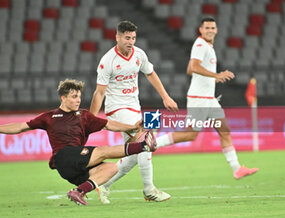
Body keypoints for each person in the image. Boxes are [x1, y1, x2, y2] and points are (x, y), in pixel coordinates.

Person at [0, 79, 157, 206]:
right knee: (102, 151)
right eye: (74, 97)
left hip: (74, 167)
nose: (78, 100)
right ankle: (143, 146)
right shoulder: (49, 116)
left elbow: (109, 125)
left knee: (111, 168)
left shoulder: (84, 115)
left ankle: (79, 191)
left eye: (79, 96)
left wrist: (132, 127)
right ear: (63, 98)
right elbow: (20, 127)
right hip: (63, 158)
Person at [156, 17, 258, 179]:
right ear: (201, 30)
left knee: (224, 131)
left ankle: (237, 169)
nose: (210, 30)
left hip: (209, 99)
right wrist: (216, 75)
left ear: (216, 30)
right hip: (199, 98)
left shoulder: (207, 46)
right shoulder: (200, 45)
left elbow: (190, 69)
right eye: (207, 28)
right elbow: (194, 67)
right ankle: (152, 143)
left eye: (213, 27)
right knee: (190, 135)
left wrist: (212, 77)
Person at [90, 20, 178, 204]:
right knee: (145, 139)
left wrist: (165, 97)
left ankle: (103, 185)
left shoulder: (139, 54)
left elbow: (150, 73)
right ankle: (149, 190)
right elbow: (99, 92)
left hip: (135, 106)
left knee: (132, 154)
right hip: (117, 108)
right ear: (117, 37)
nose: (130, 42)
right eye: (127, 38)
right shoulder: (108, 61)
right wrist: (90, 118)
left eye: (133, 38)